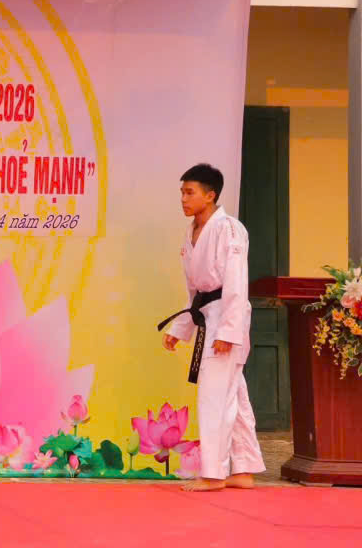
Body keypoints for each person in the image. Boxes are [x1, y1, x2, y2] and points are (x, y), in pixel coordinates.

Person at [159, 163, 265, 491]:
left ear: (210, 195)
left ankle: (213, 474)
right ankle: (244, 469)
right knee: (234, 394)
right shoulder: (192, 231)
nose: (183, 198)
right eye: (181, 192)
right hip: (208, 313)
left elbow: (235, 283)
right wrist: (181, 328)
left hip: (225, 316)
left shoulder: (229, 229)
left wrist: (228, 332)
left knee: (214, 395)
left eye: (189, 192)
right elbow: (195, 291)